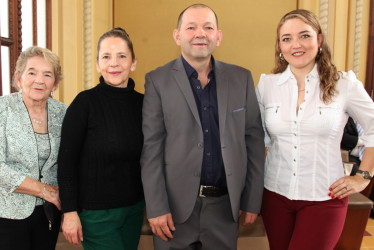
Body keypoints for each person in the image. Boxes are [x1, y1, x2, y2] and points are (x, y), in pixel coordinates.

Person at [141, 4, 265, 250]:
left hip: (225, 209)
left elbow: (253, 141)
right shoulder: (157, 80)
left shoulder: (242, 78)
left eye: (208, 27)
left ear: (218, 36)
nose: (200, 33)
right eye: (191, 27)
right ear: (177, 36)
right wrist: (156, 207)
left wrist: (252, 200)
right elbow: (151, 149)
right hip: (174, 212)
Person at [256, 9, 374, 250]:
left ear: (319, 39)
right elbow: (258, 140)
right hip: (275, 196)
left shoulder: (345, 84)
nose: (295, 45)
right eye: (286, 38)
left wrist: (363, 177)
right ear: (279, 46)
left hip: (325, 197)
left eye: (304, 36)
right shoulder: (267, 85)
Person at [58, 27, 144, 249]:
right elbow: (66, 163)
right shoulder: (84, 104)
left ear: (133, 62)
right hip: (96, 215)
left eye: (121, 56)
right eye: (106, 57)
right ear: (98, 64)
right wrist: (69, 212)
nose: (113, 63)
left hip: (134, 210)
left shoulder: (145, 104)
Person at [0, 46, 66, 250]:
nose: (39, 80)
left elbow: (70, 159)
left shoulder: (63, 113)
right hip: (7, 212)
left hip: (48, 214)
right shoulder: (3, 109)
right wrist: (45, 191)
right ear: (18, 77)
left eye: (47, 74)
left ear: (55, 83)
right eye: (32, 72)